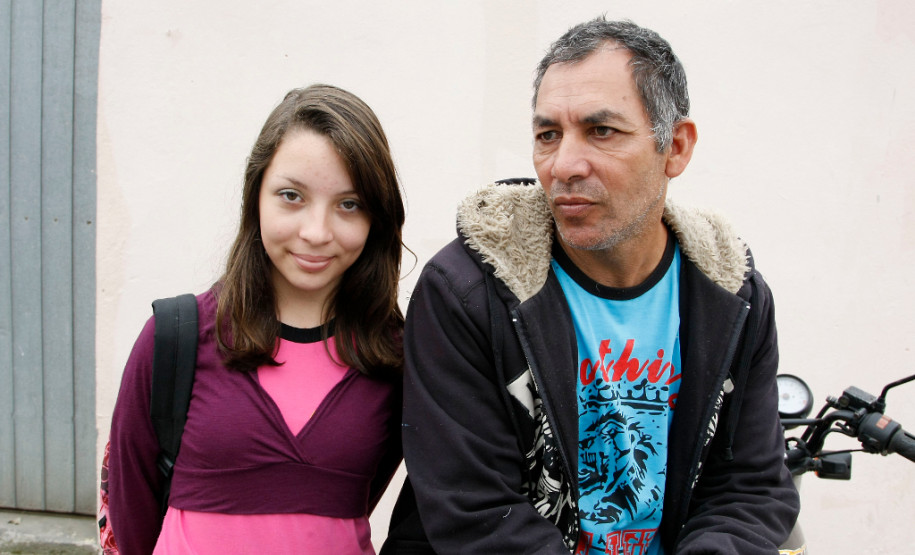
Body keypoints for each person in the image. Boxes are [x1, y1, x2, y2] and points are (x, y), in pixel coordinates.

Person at [386, 16, 799, 555]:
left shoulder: (731, 296)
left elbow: (750, 488)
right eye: (547, 134)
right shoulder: (466, 291)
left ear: (675, 146)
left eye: (601, 131)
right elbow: (477, 513)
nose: (563, 165)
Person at [104, 84, 406, 554]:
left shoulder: (395, 358)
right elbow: (128, 518)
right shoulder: (175, 337)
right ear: (256, 195)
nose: (316, 232)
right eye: (291, 196)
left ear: (376, 218)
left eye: (349, 204)